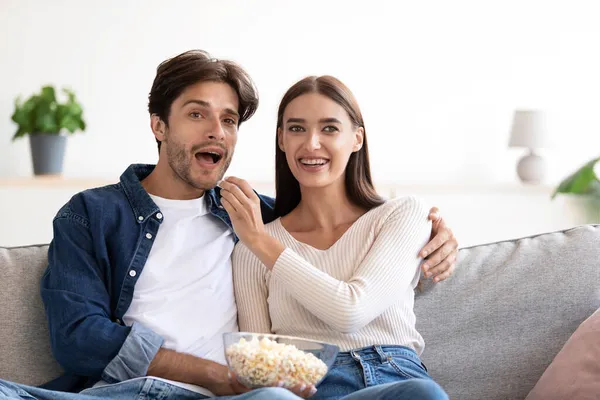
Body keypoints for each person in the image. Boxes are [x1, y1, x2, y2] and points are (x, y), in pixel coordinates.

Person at [0, 50, 457, 400]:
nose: (216, 131)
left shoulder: (253, 219)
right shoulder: (92, 214)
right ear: (159, 125)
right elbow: (79, 337)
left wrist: (438, 234)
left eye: (229, 119)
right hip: (134, 391)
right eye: (197, 114)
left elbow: (333, 235)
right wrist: (221, 378)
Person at [224, 75, 450, 399]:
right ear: (281, 139)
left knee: (422, 394)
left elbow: (350, 312)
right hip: (309, 387)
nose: (311, 143)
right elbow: (261, 364)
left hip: (395, 379)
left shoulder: (402, 215)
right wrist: (257, 241)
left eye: (329, 128)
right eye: (297, 128)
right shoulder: (250, 250)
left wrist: (261, 242)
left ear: (357, 138)